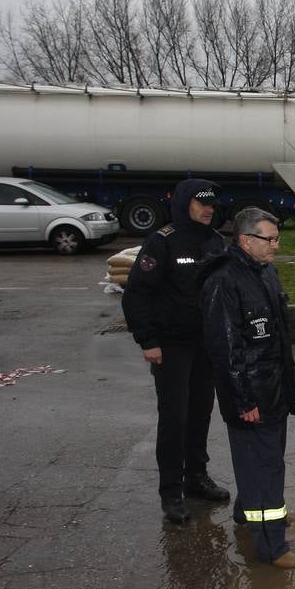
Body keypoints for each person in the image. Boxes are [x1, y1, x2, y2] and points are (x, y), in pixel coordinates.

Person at [122, 178, 230, 525]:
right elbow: (136, 293)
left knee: (200, 413)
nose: (209, 209)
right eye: (202, 203)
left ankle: (195, 477)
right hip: (170, 346)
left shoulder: (215, 241)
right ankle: (171, 492)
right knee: (174, 419)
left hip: (205, 345)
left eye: (212, 204)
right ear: (186, 203)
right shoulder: (162, 241)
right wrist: (148, 340)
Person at [200, 208, 295, 569]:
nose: (276, 245)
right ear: (245, 240)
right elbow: (225, 349)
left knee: (264, 460)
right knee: (265, 469)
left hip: (273, 389)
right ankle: (272, 547)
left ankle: (247, 514)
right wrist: (243, 399)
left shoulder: (265, 272)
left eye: (277, 238)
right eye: (269, 239)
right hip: (250, 395)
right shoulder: (224, 281)